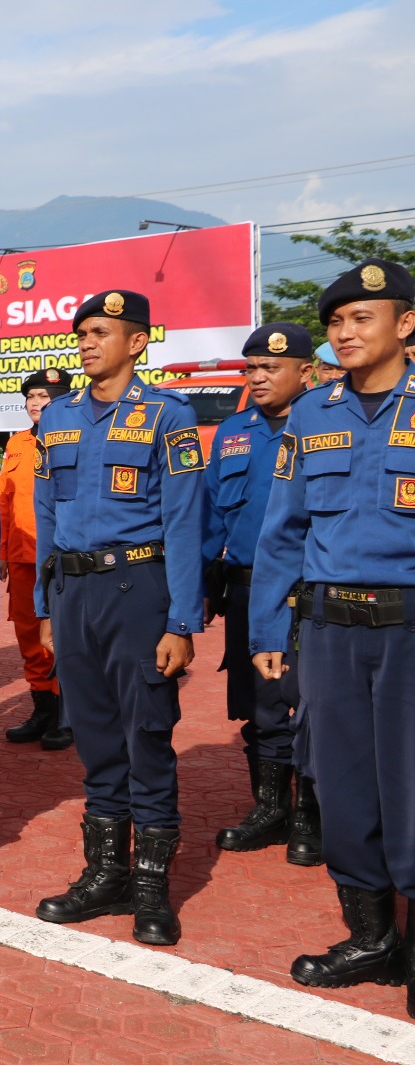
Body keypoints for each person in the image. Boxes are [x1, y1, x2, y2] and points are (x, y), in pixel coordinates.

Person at [251, 260, 415, 1009]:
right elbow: (281, 533)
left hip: (409, 630)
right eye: (337, 322)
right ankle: (373, 935)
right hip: (328, 630)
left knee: (410, 783)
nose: (345, 333)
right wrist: (265, 626)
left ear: (405, 325)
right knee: (340, 782)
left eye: (362, 319)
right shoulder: (313, 415)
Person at [32, 290, 204, 946]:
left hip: (140, 590)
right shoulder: (59, 418)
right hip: (75, 595)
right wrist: (47, 607)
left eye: (100, 332)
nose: (85, 342)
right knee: (97, 740)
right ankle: (105, 873)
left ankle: (154, 890)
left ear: (137, 342)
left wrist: (181, 622)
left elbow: (186, 523)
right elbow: (47, 515)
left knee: (147, 738)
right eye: (81, 333)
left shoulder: (168, 416)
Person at [203, 325, 319, 861]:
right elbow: (209, 516)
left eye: (271, 368)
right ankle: (271, 809)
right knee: (262, 707)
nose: (258, 377)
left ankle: (311, 817)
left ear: (306, 372)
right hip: (249, 590)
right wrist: (203, 583)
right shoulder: (233, 432)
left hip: (314, 593)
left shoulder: (325, 424)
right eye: (251, 368)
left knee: (312, 708)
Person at [0, 367, 71, 748]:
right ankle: (42, 707)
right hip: (23, 558)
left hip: (64, 558)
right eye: (31, 398)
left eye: (44, 397)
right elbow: (4, 502)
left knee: (63, 636)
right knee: (29, 637)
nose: (35, 404)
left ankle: (68, 713)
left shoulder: (77, 439)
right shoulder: (16, 444)